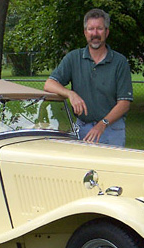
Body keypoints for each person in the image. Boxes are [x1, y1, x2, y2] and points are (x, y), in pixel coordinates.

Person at [44, 8, 133, 147]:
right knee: (82, 169)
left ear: (107, 32)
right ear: (85, 33)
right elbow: (49, 84)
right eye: (91, 29)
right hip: (83, 129)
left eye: (99, 29)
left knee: (110, 169)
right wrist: (70, 94)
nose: (95, 33)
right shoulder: (73, 58)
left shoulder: (120, 62)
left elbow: (124, 103)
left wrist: (102, 124)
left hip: (112, 130)